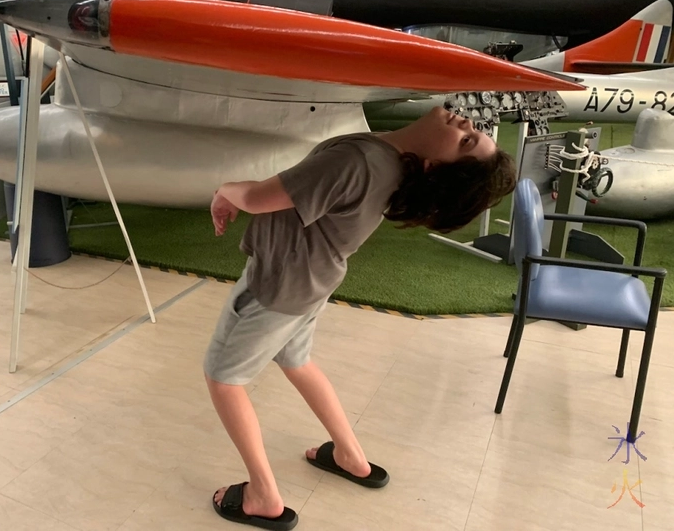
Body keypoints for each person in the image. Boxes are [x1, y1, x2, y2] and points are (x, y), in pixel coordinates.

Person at [204, 106, 517, 530]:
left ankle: (263, 496)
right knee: (296, 362)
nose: (467, 125)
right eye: (474, 130)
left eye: (466, 141)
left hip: (279, 285)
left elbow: (260, 200)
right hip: (312, 281)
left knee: (224, 379)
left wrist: (226, 188)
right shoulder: (382, 157)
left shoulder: (359, 162)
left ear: (432, 167)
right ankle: (349, 455)